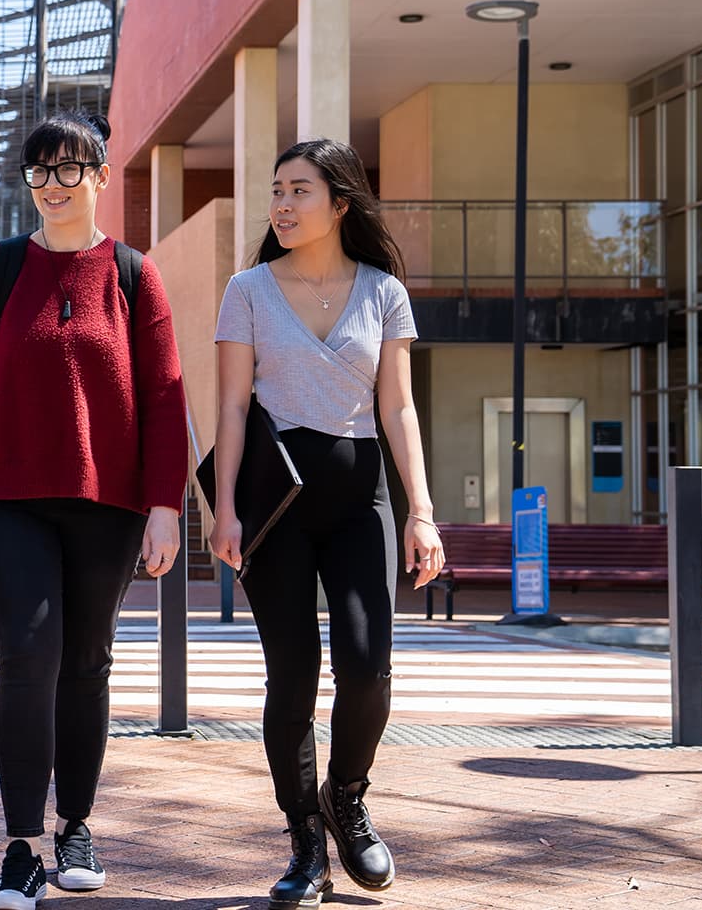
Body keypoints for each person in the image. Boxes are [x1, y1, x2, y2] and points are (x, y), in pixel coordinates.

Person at [0, 111, 186, 910]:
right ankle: (21, 848)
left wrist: (165, 505)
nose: (54, 186)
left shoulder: (136, 275)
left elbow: (165, 401)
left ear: (101, 176)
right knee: (29, 655)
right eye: (40, 171)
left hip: (107, 502)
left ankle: (75, 823)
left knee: (89, 661)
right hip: (4, 500)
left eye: (70, 169)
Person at [207, 139, 445, 909]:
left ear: (340, 203)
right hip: (276, 508)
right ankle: (306, 842)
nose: (281, 204)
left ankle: (348, 799)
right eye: (276, 190)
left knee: (369, 671)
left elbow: (399, 406)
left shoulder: (383, 292)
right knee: (294, 678)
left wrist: (423, 512)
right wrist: (227, 509)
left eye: (298, 190)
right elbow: (233, 406)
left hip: (360, 503)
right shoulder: (247, 289)